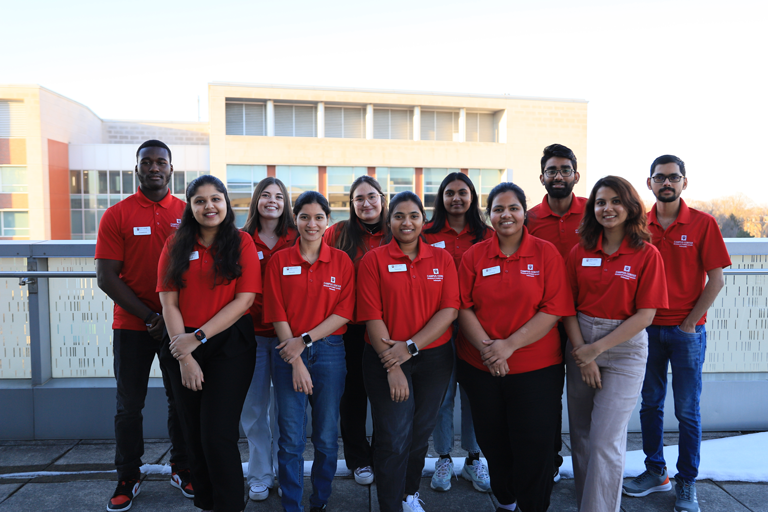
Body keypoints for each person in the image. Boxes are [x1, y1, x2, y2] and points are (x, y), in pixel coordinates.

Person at [456, 182, 575, 512]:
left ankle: (532, 505)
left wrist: (508, 346)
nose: (505, 214)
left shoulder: (546, 253)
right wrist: (489, 350)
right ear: (488, 214)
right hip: (481, 367)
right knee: (494, 443)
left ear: (525, 212)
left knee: (534, 446)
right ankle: (506, 501)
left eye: (513, 208)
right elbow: (462, 307)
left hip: (536, 370)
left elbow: (553, 308)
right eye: (498, 209)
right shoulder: (474, 256)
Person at [623, 156, 730, 512]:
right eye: (659, 177)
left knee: (687, 411)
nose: (666, 183)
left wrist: (689, 323)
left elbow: (716, 280)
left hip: (687, 332)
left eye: (673, 177)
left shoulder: (703, 224)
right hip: (646, 329)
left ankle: (687, 482)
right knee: (650, 404)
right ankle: (656, 472)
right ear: (649, 183)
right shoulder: (638, 225)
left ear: (684, 182)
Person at [95, 139, 191, 512]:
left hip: (178, 325)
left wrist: (169, 320)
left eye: (160, 162)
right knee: (129, 405)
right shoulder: (116, 215)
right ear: (137, 169)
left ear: (171, 169)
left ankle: (182, 467)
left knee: (180, 398)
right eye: (146, 162)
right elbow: (106, 277)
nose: (154, 167)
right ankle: (128, 475)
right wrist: (150, 317)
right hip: (133, 326)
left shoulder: (188, 213)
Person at [563, 175, 668, 512]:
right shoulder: (580, 252)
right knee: (580, 436)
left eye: (615, 201)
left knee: (605, 439)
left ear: (630, 206)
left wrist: (597, 349)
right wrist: (584, 353)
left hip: (624, 349)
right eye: (600, 202)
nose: (607, 208)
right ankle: (587, 503)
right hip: (581, 342)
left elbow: (645, 316)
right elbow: (567, 307)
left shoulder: (647, 254)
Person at [158, 174, 261, 512]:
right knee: (194, 435)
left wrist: (198, 337)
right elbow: (168, 303)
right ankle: (206, 504)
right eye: (199, 200)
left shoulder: (242, 241)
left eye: (215, 198)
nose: (209, 206)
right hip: (181, 342)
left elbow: (244, 300)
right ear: (190, 207)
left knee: (217, 435)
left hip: (229, 344)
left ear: (226, 202)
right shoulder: (175, 243)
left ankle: (230, 505)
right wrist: (184, 354)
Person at [357, 191, 459, 512]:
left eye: (414, 215)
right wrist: (393, 365)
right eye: (399, 216)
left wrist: (411, 346)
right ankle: (389, 505)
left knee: (418, 435)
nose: (407, 222)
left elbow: (449, 310)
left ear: (424, 221)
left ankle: (408, 495)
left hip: (434, 359)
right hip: (384, 358)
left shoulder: (441, 259)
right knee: (393, 437)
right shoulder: (373, 260)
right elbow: (372, 316)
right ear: (390, 222)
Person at [264, 191, 355, 512]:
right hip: (287, 354)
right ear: (296, 220)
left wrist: (304, 342)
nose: (311, 224)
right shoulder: (279, 261)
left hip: (330, 353)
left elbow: (344, 312)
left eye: (318, 217)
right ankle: (291, 504)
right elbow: (277, 312)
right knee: (290, 439)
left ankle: (320, 500)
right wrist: (297, 358)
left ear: (327, 221)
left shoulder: (342, 262)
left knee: (327, 437)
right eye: (304, 217)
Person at [422, 172, 492, 493]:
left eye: (463, 193)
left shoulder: (487, 235)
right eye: (449, 193)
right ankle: (445, 457)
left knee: (475, 394)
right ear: (441, 198)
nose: (456, 199)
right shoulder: (425, 234)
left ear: (472, 197)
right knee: (443, 395)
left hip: (478, 324)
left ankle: (474, 458)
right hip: (438, 324)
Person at [527, 143, 587, 483]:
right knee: (548, 396)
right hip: (545, 321)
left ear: (575, 175)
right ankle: (550, 460)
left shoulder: (595, 211)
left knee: (585, 395)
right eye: (552, 170)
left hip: (587, 319)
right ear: (542, 177)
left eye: (565, 170)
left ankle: (589, 464)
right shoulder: (531, 218)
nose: (559, 175)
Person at [324, 175, 388, 487]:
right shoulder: (336, 233)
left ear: (382, 199)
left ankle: (383, 455)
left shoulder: (396, 230)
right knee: (352, 398)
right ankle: (358, 460)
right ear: (351, 204)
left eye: (371, 197)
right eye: (359, 198)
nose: (366, 203)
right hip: (347, 329)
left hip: (389, 328)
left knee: (387, 396)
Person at [240, 177, 297, 501]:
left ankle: (284, 470)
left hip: (289, 338)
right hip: (254, 338)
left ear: (285, 202)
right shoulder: (242, 238)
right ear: (256, 201)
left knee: (287, 411)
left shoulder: (296, 236)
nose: (272, 200)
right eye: (265, 195)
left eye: (278, 196)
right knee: (255, 409)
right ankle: (260, 473)